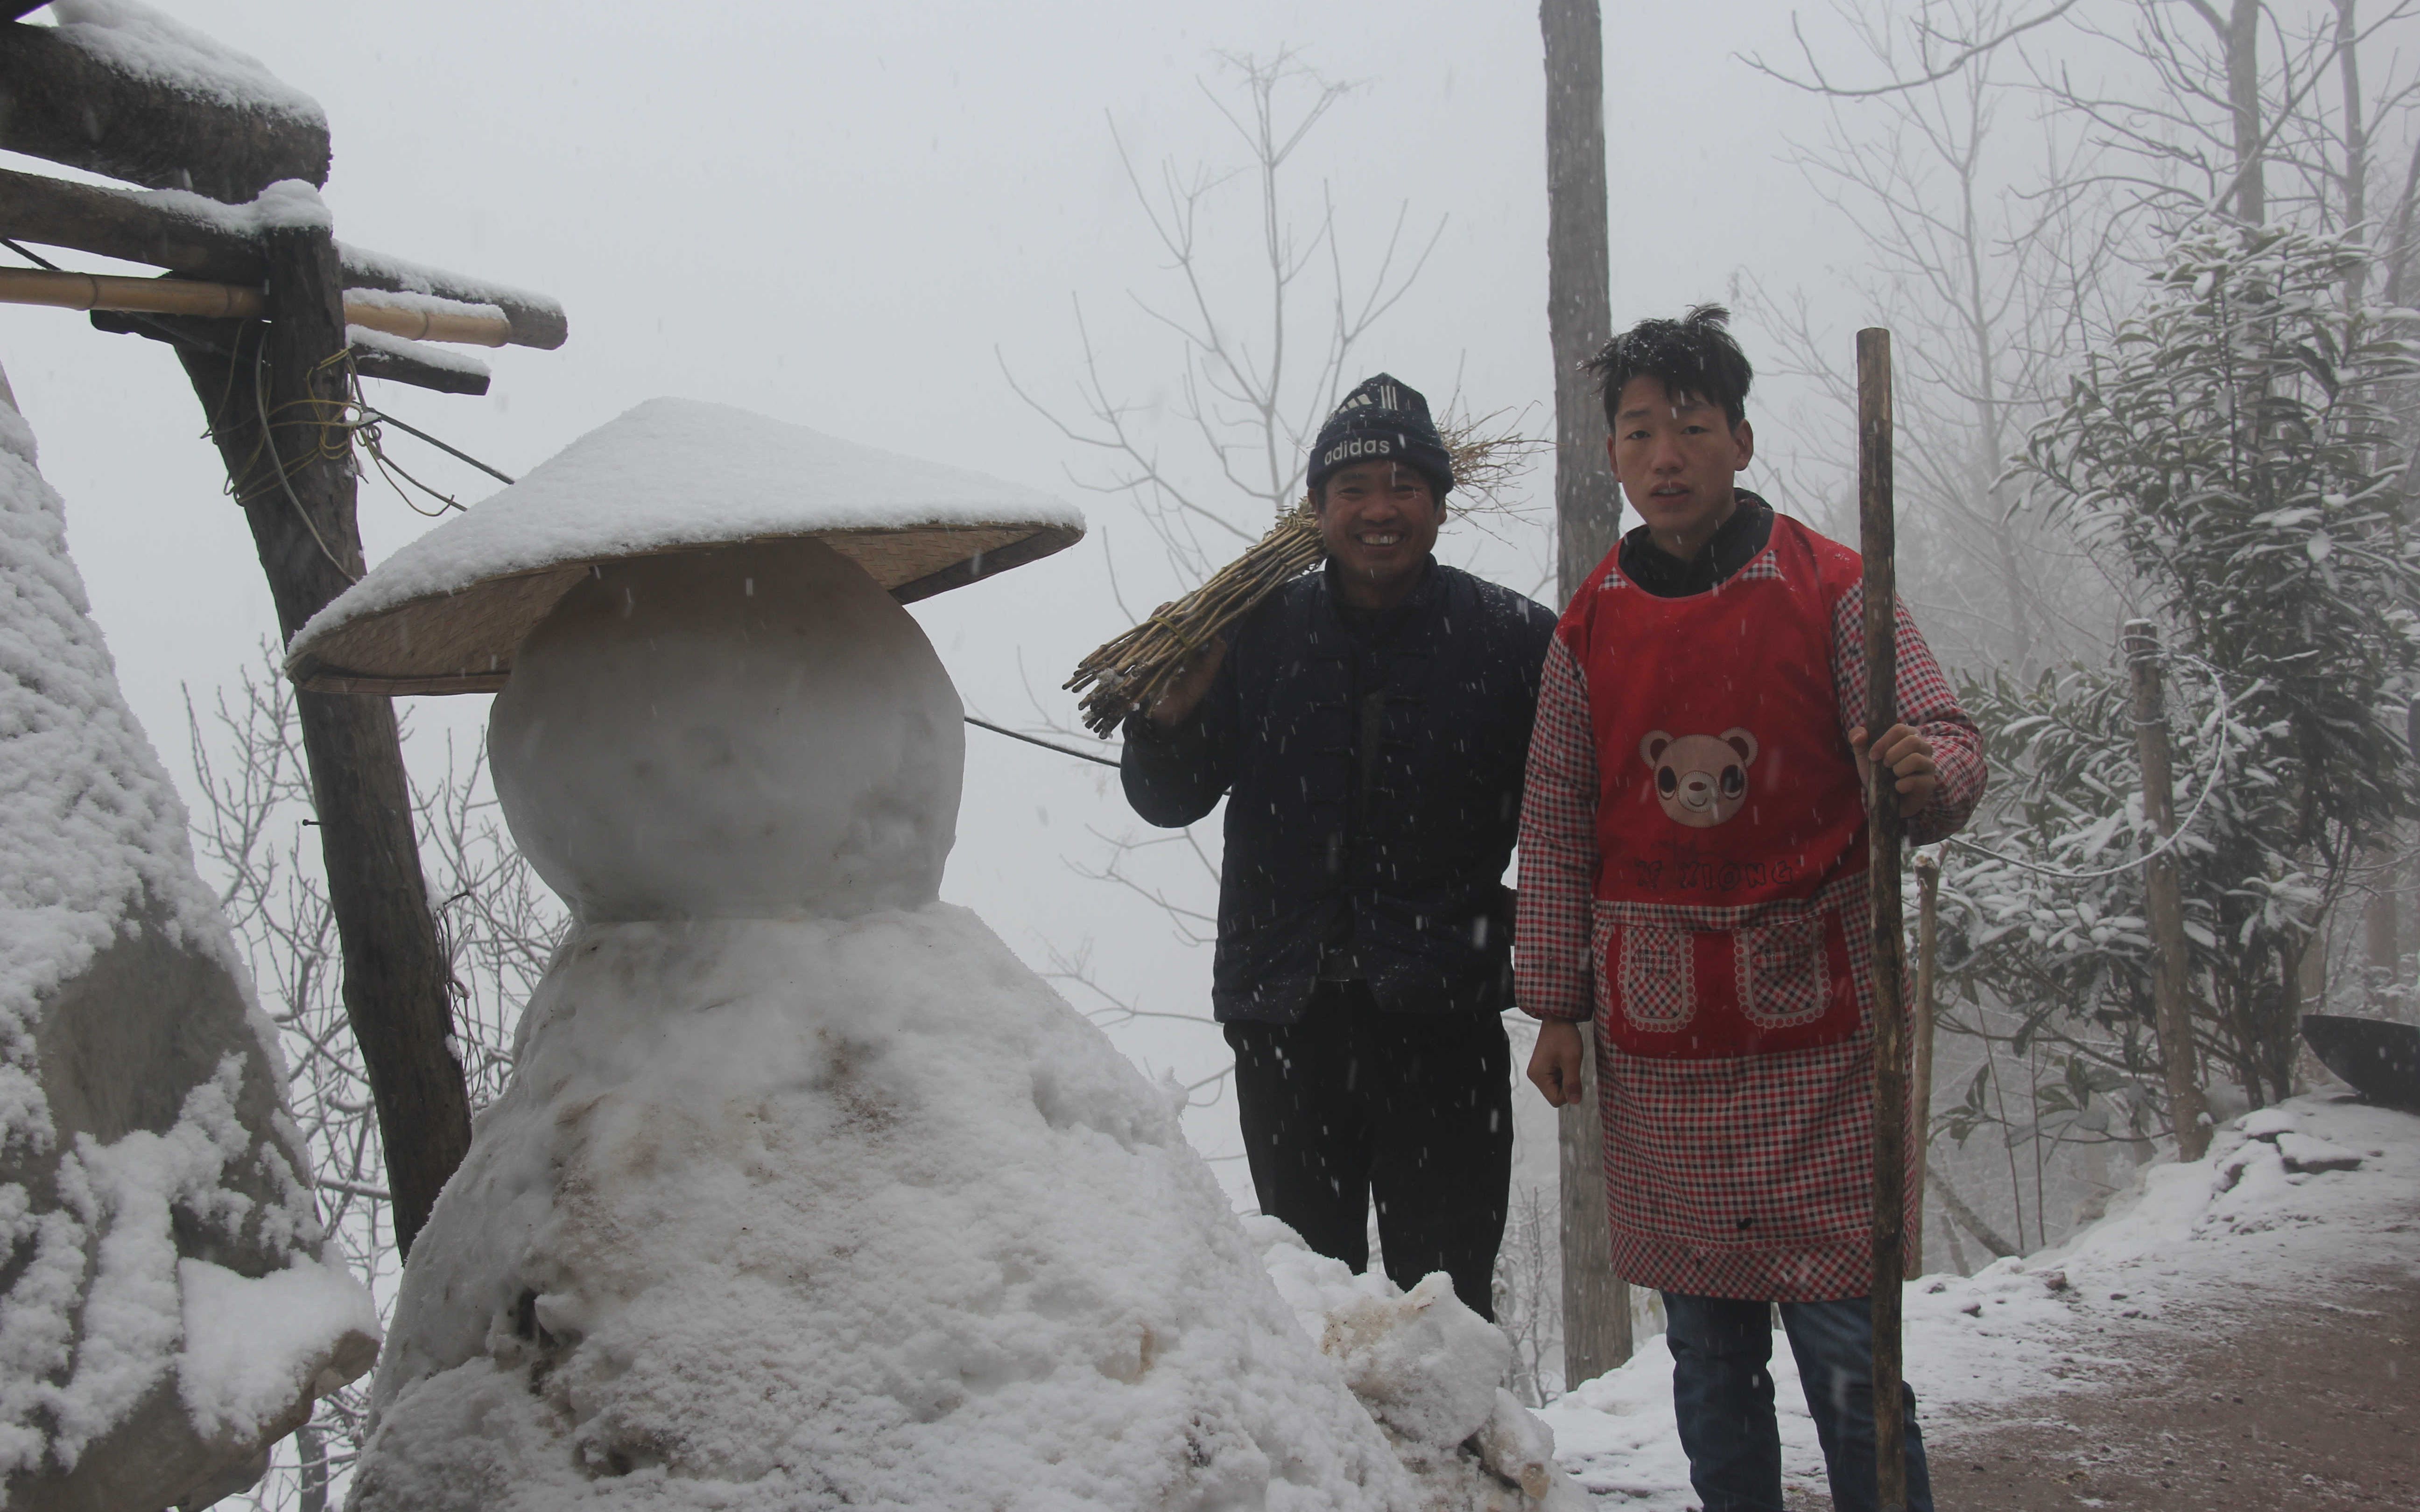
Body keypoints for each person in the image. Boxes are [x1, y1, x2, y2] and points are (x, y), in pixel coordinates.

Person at [1516, 307, 1985, 1512]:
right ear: (1612, 457)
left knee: (1848, 1361)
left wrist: (1928, 775)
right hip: (1663, 1058)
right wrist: (1555, 1007)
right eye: (1637, 432)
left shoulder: (1832, 587)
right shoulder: (1591, 624)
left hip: (1821, 1037)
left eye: (1691, 426)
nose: (1664, 455)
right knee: (1711, 1373)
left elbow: (1938, 734)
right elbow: (1559, 821)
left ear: (1742, 438)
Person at [1119, 374, 1557, 1318]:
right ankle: (1332, 1471)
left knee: (1444, 1302)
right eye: (1353, 491)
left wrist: (1559, 983)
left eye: (1405, 486)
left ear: (1440, 504)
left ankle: (1455, 1464)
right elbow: (1165, 801)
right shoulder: (1253, 634)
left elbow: (1571, 823)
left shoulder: (1514, 642)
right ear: (1316, 511)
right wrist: (1168, 716)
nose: (1379, 510)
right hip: (1286, 1019)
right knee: (1307, 1302)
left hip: (1443, 1023)